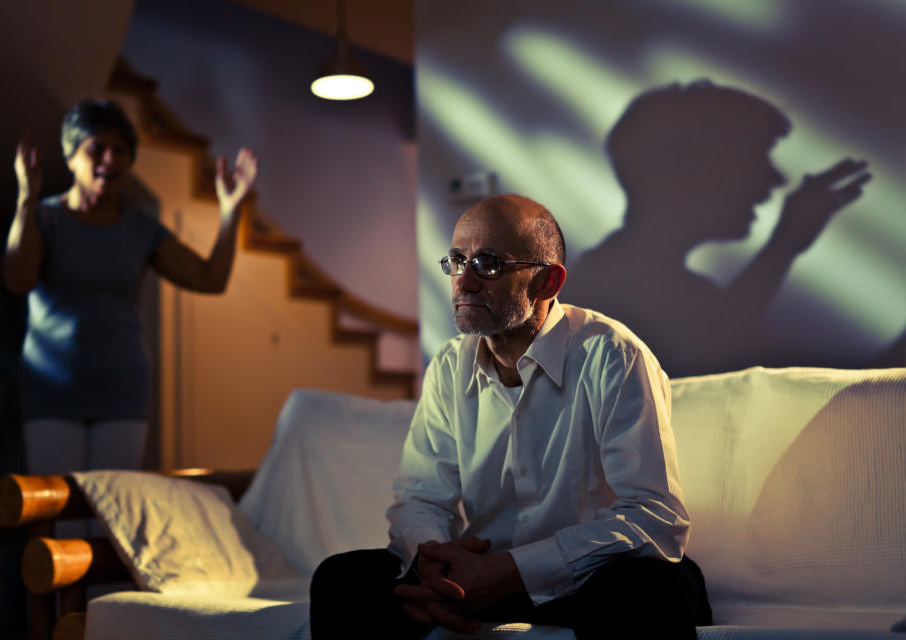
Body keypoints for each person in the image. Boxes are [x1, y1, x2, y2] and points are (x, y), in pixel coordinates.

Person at [309, 194, 712, 639]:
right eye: (458, 261)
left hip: (593, 576)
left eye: (489, 264)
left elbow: (654, 518)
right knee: (342, 580)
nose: (464, 283)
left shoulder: (613, 356)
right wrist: (435, 565)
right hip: (477, 578)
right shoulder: (448, 366)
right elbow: (421, 498)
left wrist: (515, 570)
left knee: (647, 592)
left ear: (547, 282)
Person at [2, 98, 257, 474]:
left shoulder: (141, 229)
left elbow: (210, 279)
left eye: (120, 150)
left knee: (112, 511)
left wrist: (230, 211)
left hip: (122, 392)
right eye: (97, 149)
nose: (110, 159)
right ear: (71, 158)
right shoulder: (44, 218)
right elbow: (17, 280)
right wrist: (26, 198)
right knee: (58, 514)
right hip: (51, 391)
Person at [562, 80, 872, 377]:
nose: (775, 178)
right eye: (755, 156)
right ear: (695, 166)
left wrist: (785, 243)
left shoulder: (618, 278)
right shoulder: (612, 296)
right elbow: (714, 344)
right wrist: (784, 245)